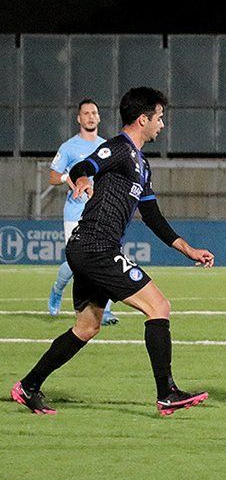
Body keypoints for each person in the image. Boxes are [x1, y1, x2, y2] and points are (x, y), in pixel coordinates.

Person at [11, 87, 214, 416]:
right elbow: (84, 166)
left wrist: (186, 249)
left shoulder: (142, 164)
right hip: (95, 246)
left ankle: (28, 386)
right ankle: (167, 394)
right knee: (159, 306)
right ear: (142, 119)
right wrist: (83, 179)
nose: (162, 124)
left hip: (94, 248)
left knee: (87, 327)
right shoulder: (119, 148)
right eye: (159, 118)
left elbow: (151, 215)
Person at [47, 99, 118, 325]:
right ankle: (57, 289)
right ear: (79, 118)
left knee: (104, 259)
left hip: (100, 213)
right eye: (85, 113)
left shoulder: (106, 147)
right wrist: (69, 178)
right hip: (75, 211)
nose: (90, 116)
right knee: (76, 262)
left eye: (94, 113)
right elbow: (52, 177)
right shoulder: (69, 147)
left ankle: (104, 310)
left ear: (99, 118)